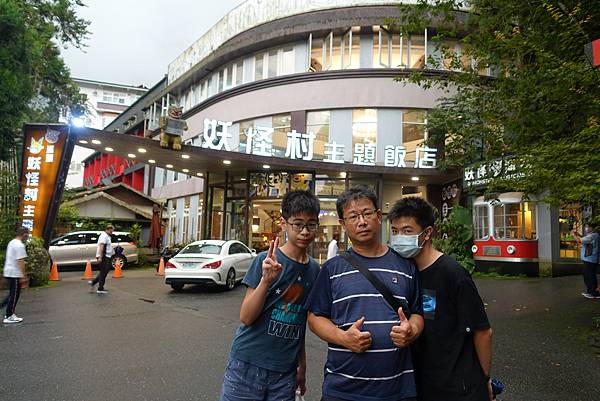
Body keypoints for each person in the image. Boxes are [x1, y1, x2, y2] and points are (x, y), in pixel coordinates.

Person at [307, 186, 424, 401]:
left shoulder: (406, 266)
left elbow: (418, 312)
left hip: (397, 389)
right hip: (342, 389)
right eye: (353, 216)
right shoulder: (332, 269)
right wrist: (343, 338)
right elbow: (314, 318)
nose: (361, 221)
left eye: (367, 213)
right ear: (343, 224)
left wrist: (412, 330)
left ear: (378, 216)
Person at [388, 197, 493, 401]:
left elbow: (483, 332)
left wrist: (484, 378)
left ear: (427, 233)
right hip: (420, 385)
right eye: (394, 231)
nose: (399, 237)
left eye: (407, 231)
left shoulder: (452, 273)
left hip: (458, 388)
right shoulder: (404, 272)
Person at [220, 190, 321, 401]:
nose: (304, 231)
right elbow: (246, 317)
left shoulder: (314, 270)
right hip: (247, 365)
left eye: (311, 224)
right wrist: (267, 280)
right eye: (298, 224)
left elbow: (299, 321)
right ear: (283, 224)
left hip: (285, 372)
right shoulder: (265, 261)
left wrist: (302, 365)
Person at [2, 227, 29, 324]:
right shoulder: (20, 245)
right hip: (15, 273)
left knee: (12, 293)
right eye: (27, 234)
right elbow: (20, 261)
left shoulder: (12, 242)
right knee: (15, 295)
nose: (28, 236)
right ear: (24, 234)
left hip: (8, 271)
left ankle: (6, 310)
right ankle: (9, 315)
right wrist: (23, 276)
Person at [572, 224, 600, 299]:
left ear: (592, 228)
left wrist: (573, 235)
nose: (586, 228)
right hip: (588, 259)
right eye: (586, 227)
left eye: (588, 227)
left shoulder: (593, 235)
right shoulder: (592, 235)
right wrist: (577, 234)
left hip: (590, 259)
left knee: (590, 276)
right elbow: (583, 239)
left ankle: (594, 293)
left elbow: (579, 240)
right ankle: (590, 291)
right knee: (587, 275)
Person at [89, 224, 114, 294]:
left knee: (104, 271)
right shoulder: (104, 236)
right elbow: (101, 246)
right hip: (104, 256)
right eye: (111, 231)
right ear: (108, 229)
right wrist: (100, 256)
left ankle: (93, 282)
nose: (112, 232)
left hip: (106, 256)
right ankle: (100, 288)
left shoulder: (107, 236)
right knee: (104, 272)